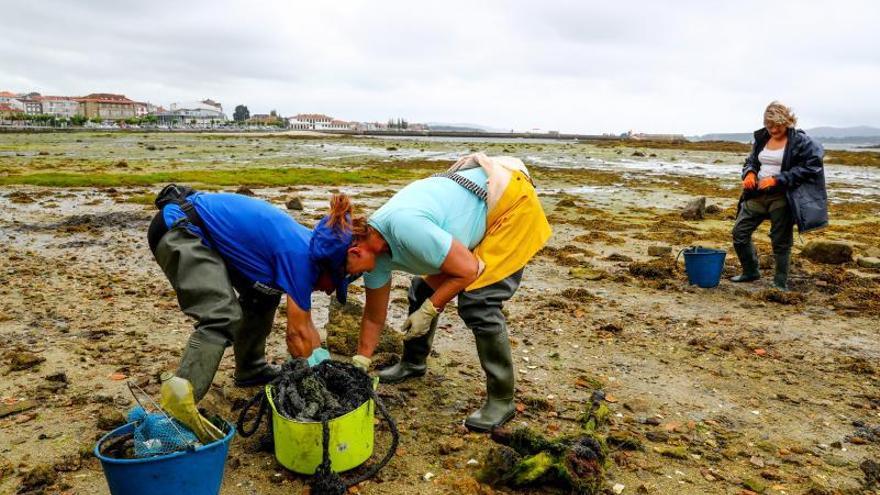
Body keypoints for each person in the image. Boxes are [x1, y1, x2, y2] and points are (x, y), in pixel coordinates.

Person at [339, 153, 552, 431]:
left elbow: (468, 270)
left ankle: (502, 399)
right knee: (422, 288)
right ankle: (414, 362)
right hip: (478, 205)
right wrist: (360, 362)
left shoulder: (405, 227)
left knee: (478, 302)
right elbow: (373, 317)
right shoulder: (372, 252)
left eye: (349, 274)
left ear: (355, 251)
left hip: (512, 206)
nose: (353, 278)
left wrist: (430, 310)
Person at [147, 185, 357, 402]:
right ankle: (177, 408)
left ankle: (250, 370)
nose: (329, 290)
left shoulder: (310, 249)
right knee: (220, 316)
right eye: (334, 284)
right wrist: (314, 386)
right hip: (180, 229)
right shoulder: (300, 258)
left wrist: (322, 364)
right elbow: (297, 335)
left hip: (203, 233)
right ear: (328, 266)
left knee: (264, 294)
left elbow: (307, 325)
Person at [731, 101, 827, 290]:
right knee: (739, 233)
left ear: (787, 121)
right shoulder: (762, 138)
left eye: (777, 125)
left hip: (783, 197)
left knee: (780, 240)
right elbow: (751, 160)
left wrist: (778, 179)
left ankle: (780, 283)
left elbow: (811, 166)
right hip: (757, 194)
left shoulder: (801, 141)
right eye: (769, 125)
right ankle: (751, 271)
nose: (773, 130)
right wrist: (749, 172)